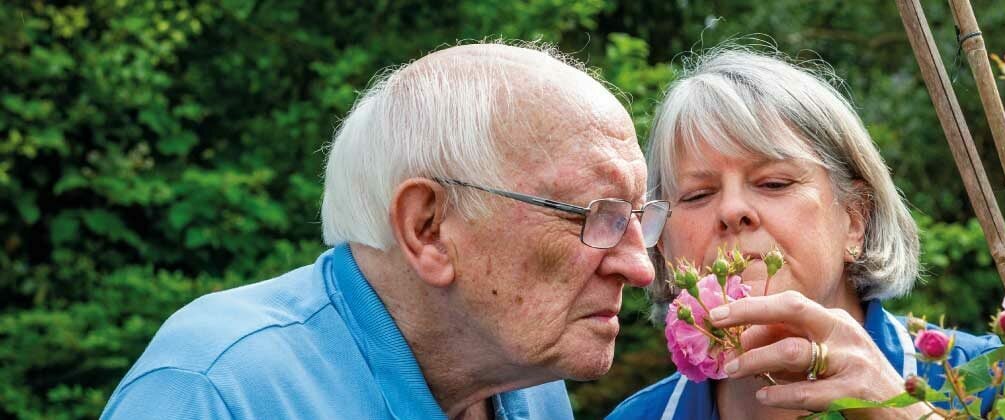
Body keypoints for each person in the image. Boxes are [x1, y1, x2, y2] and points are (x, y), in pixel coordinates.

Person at [101, 42, 665, 419]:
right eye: (589, 214)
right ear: (428, 229)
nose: (639, 267)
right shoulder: (216, 391)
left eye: (636, 217)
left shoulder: (529, 382)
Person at [609, 48, 1005, 419]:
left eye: (774, 183)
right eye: (699, 194)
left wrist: (900, 412)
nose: (732, 210)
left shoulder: (1001, 381)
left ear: (855, 220)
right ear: (662, 246)